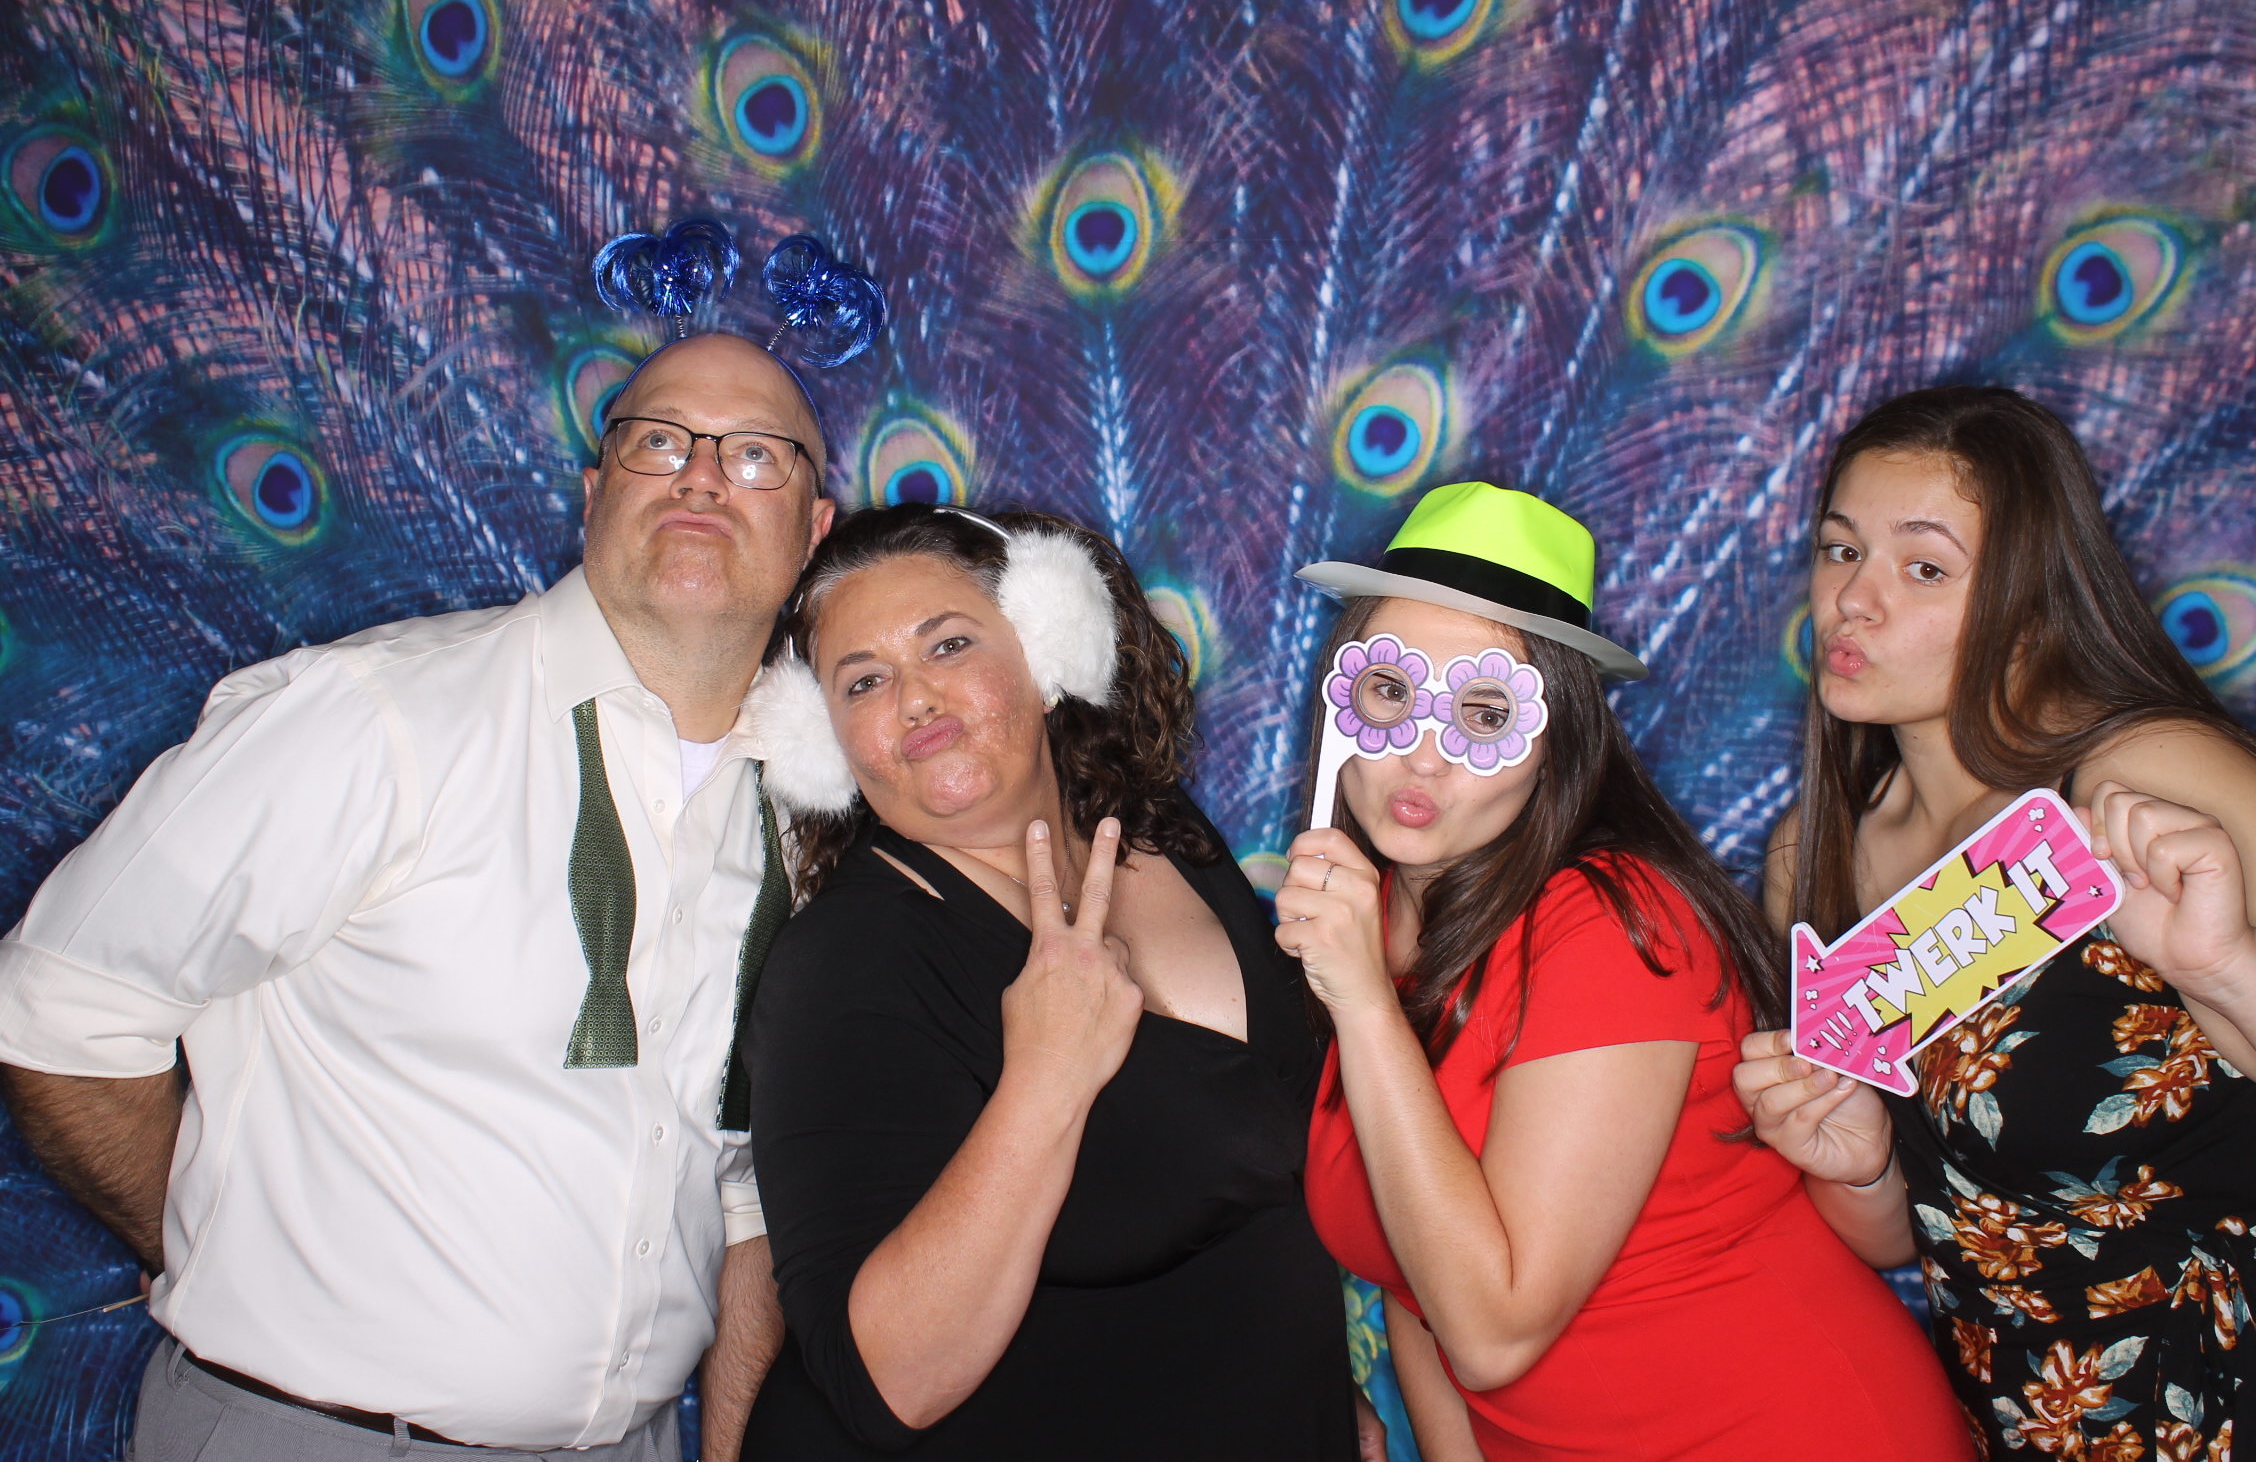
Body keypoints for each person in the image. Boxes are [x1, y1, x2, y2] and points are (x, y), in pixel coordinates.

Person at [0, 327, 831, 1459]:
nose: (698, 473)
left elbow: (739, 1186)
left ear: (814, 529)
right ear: (593, 493)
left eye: (755, 456)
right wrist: (218, 1241)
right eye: (658, 440)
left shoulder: (791, 818)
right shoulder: (374, 718)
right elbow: (61, 1007)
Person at [1283, 481, 1968, 1460]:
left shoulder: (1615, 924)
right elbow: (1414, 1281)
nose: (1421, 760)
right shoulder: (1377, 911)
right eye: (1391, 691)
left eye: (1482, 714)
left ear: (1554, 736)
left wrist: (1361, 1004)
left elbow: (1490, 1328)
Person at [733, 502, 1362, 1460]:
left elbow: (1254, 1165)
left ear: (1047, 651)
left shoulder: (1161, 835)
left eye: (948, 645)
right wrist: (1047, 1079)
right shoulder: (842, 967)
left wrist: (1316, 1387)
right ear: (828, 744)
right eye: (865, 680)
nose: (914, 699)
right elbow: (887, 1383)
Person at [1735, 385, 2256, 1460]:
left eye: (1922, 567)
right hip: (2026, 1415)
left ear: (2030, 597)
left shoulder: (2146, 779)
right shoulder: (1811, 859)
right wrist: (1855, 1162)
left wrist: (2220, 970)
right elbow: (1922, 1232)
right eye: (1841, 551)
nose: (1853, 601)